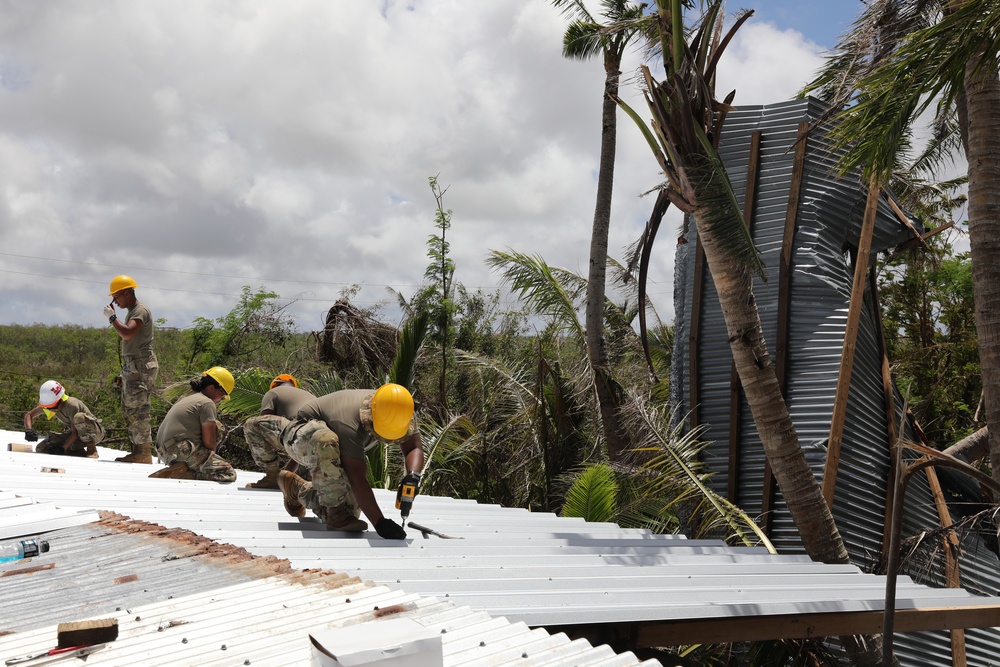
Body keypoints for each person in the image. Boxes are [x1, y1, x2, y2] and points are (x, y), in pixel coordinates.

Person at [274, 384, 423, 539]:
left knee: (349, 512)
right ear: (371, 417)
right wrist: (379, 522)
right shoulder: (349, 423)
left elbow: (413, 447)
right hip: (300, 436)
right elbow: (356, 477)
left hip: (333, 448)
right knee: (326, 441)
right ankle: (334, 512)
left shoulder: (401, 409)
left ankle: (295, 488)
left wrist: (413, 476)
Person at [148, 367, 237, 483]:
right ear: (211, 388)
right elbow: (210, 443)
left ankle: (181, 467)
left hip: (165, 452)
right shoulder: (207, 403)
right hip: (181, 449)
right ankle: (183, 474)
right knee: (228, 473)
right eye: (223, 395)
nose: (222, 399)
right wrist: (211, 461)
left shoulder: (189, 399)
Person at [104, 275, 157, 464]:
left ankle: (143, 453)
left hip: (141, 364)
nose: (114, 302)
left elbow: (127, 333)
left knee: (139, 408)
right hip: (133, 364)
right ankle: (138, 451)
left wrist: (112, 318)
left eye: (116, 297)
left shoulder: (140, 311)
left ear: (127, 293)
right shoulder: (133, 311)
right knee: (129, 409)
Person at [242, 374, 315, 489]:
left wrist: (276, 478)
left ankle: (272, 476)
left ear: (275, 385)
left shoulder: (273, 392)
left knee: (253, 425)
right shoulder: (310, 396)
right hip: (320, 443)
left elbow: (264, 422)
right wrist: (285, 476)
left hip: (298, 437)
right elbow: (303, 440)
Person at [24, 380, 105, 458]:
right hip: (77, 436)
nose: (51, 410)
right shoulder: (48, 406)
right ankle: (79, 452)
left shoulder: (72, 405)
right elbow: (29, 415)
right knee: (42, 448)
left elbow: (75, 433)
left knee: (79, 417)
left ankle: (91, 449)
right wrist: (29, 430)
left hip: (94, 433)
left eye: (54, 407)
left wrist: (62, 448)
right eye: (48, 408)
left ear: (61, 400)